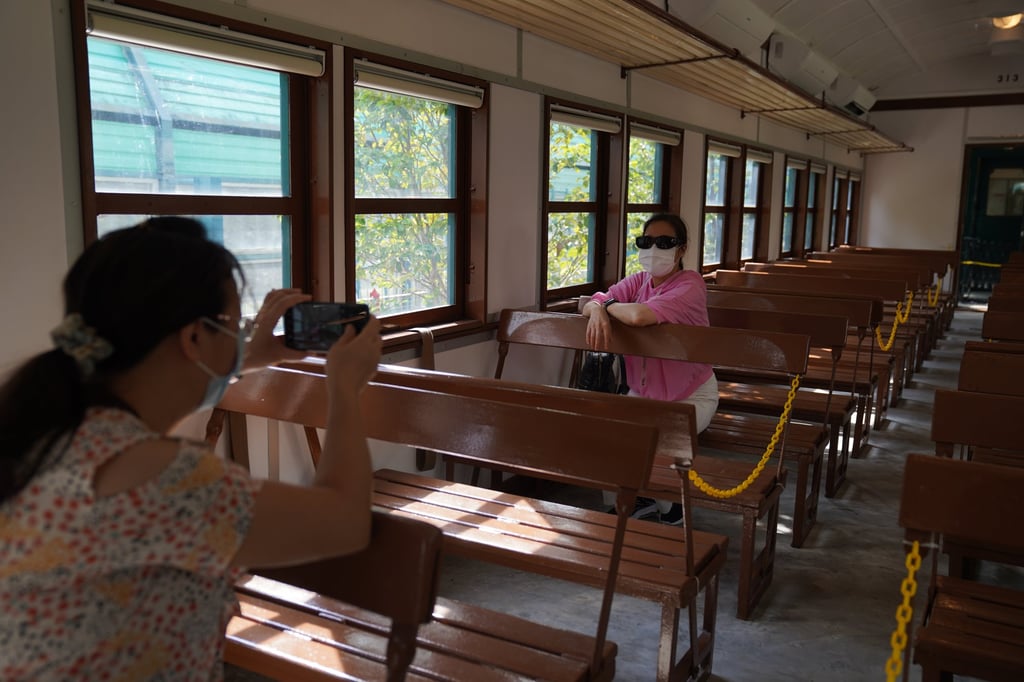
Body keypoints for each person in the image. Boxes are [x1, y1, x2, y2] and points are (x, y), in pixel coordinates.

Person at [0, 217, 382, 680]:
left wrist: (249, 353)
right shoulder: (166, 478)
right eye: (232, 325)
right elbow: (344, 522)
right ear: (195, 338)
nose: (239, 336)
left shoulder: (38, 431)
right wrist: (345, 387)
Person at [581, 213, 718, 524]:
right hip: (643, 394)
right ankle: (635, 499)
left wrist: (605, 308)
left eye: (665, 242)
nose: (654, 248)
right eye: (646, 241)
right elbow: (591, 301)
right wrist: (598, 307)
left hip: (691, 396)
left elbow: (640, 317)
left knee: (655, 439)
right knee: (608, 433)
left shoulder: (690, 285)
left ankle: (671, 509)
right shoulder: (638, 281)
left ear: (681, 249)